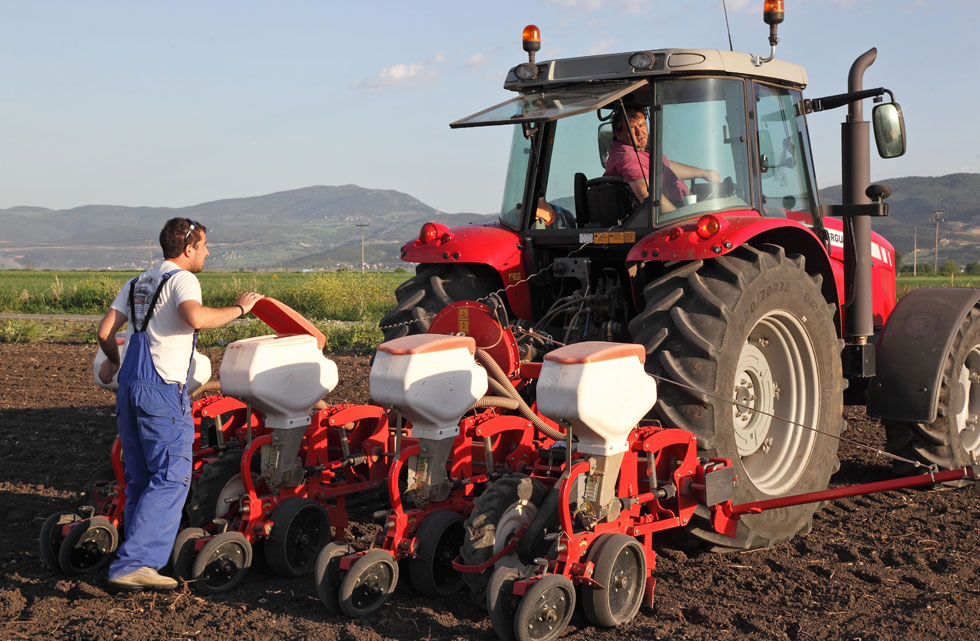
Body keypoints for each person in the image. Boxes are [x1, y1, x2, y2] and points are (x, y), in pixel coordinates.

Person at [96, 217, 264, 592]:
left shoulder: (137, 281)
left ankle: (131, 555)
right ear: (188, 248)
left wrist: (113, 360)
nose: (207, 252)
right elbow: (195, 317)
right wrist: (240, 310)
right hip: (161, 387)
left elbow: (105, 332)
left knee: (140, 478)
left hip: (130, 386)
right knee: (172, 477)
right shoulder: (183, 279)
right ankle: (136, 562)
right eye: (204, 246)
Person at [604, 106, 721, 211]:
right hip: (671, 215)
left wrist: (703, 173)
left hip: (681, 209)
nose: (640, 132)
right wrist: (677, 218)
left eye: (642, 125)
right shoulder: (630, 158)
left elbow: (664, 166)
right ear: (618, 134)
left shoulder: (637, 152)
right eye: (632, 129)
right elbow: (647, 194)